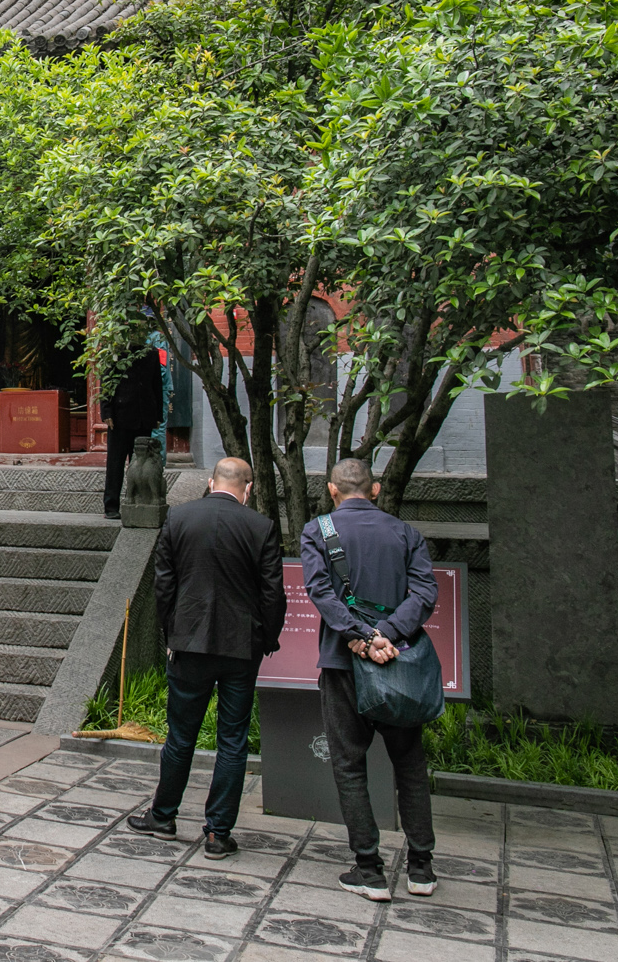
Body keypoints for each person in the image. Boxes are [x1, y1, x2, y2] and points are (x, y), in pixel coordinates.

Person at [126, 457, 285, 858]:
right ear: (248, 488)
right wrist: (267, 638)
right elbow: (272, 594)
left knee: (181, 735)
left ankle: (163, 815)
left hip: (189, 643)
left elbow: (165, 585)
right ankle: (217, 832)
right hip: (240, 647)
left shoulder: (179, 518)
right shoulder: (260, 527)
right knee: (233, 740)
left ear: (212, 481)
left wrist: (170, 633)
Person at [299, 456, 439, 903]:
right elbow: (424, 593)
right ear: (375, 490)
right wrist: (388, 634)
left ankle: (369, 868)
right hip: (398, 662)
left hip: (343, 663)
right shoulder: (406, 533)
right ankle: (421, 867)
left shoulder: (317, 532)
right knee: (410, 765)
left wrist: (361, 637)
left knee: (349, 764)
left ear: (332, 490)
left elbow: (320, 591)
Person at [103, 346, 163, 517]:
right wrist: (106, 411)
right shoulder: (114, 350)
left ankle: (141, 503)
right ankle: (111, 506)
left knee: (143, 464)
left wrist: (158, 414)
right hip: (119, 416)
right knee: (115, 463)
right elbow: (107, 381)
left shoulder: (151, 352)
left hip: (144, 416)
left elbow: (157, 383)